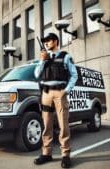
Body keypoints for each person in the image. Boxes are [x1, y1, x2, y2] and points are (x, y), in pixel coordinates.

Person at [34, 33, 78, 168]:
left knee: (63, 125)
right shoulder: (44, 58)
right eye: (45, 41)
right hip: (46, 94)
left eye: (48, 41)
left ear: (56, 41)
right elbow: (36, 74)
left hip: (60, 92)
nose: (46, 43)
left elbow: (74, 75)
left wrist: (66, 90)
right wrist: (42, 60)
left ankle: (65, 155)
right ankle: (46, 153)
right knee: (46, 124)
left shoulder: (66, 57)